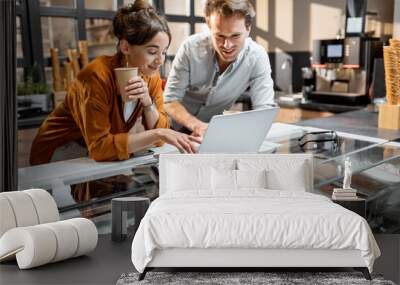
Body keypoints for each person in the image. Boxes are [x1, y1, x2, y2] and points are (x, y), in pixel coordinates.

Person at [30, 0, 200, 166]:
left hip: (96, 155)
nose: (160, 60)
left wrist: (148, 104)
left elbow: (160, 138)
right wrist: (159, 133)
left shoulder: (150, 75)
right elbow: (99, 147)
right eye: (152, 51)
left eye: (163, 52)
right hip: (61, 151)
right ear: (125, 47)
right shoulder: (95, 76)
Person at [163, 0, 275, 137]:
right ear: (209, 28)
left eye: (235, 36)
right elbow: (169, 101)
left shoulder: (257, 57)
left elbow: (264, 110)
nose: (227, 45)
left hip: (211, 133)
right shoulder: (190, 48)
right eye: (220, 36)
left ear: (248, 29)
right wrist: (198, 126)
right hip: (172, 129)